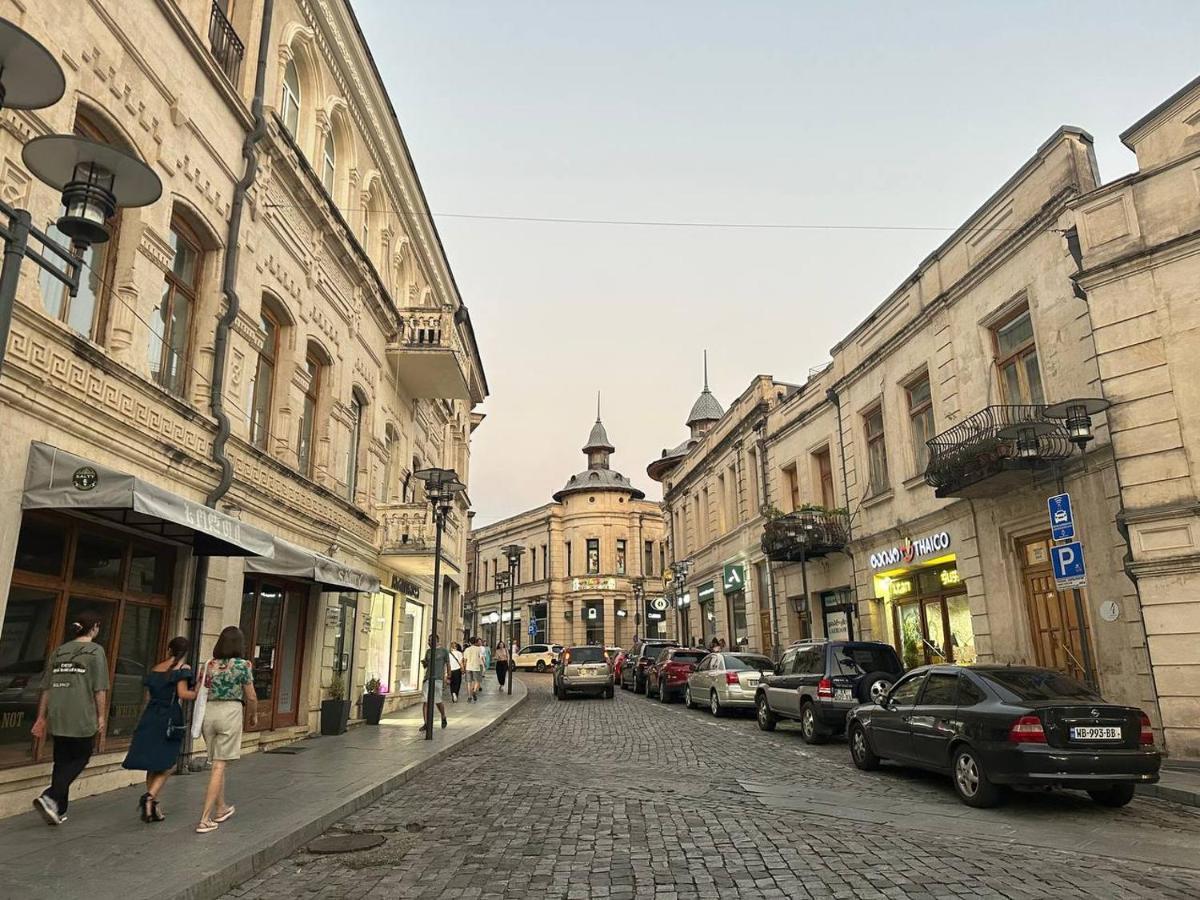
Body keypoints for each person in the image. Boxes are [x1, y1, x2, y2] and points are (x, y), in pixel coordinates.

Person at [30, 611, 109, 826]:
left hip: (57, 713)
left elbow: (46, 687)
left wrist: (41, 716)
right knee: (82, 757)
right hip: (81, 713)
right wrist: (101, 715)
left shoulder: (59, 651)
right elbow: (99, 688)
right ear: (94, 627)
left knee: (62, 760)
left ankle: (58, 809)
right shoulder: (95, 651)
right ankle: (51, 795)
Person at [122, 636, 198, 822]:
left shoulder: (156, 668)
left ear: (169, 649)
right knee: (169, 762)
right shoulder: (182, 669)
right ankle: (149, 797)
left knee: (153, 763)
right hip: (169, 715)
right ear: (185, 652)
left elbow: (148, 696)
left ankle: (153, 807)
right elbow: (182, 693)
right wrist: (198, 693)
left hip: (150, 715)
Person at [196, 626, 257, 834]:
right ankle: (205, 818)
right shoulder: (242, 666)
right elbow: (251, 696)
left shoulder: (208, 665)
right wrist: (253, 714)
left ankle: (221, 808)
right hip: (230, 711)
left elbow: (200, 690)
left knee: (216, 762)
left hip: (209, 714)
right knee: (219, 766)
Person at [419, 634, 450, 731]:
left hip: (438, 678)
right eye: (428, 640)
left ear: (436, 641)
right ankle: (426, 723)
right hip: (428, 678)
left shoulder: (444, 651)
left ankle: (443, 716)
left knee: (437, 701)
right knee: (425, 701)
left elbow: (448, 664)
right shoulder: (428, 652)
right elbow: (426, 665)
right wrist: (424, 663)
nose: (428, 642)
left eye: (430, 640)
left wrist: (448, 676)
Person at [463, 637, 485, 702]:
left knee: (469, 682)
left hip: (468, 667)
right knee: (477, 681)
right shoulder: (478, 649)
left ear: (469, 642)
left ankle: (469, 696)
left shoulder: (467, 649)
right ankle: (474, 691)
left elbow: (465, 659)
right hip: (476, 667)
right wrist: (483, 665)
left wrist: (464, 667)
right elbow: (481, 657)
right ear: (476, 642)